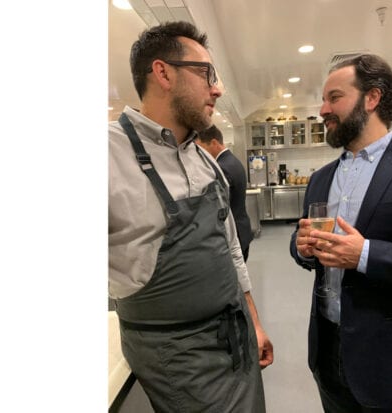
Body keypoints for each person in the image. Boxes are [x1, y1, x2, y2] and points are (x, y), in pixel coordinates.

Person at [109, 21, 273, 412]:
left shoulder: (202, 159)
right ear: (163, 72)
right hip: (177, 358)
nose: (217, 88)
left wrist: (254, 321)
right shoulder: (107, 156)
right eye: (206, 74)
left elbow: (231, 247)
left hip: (235, 337)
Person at [289, 54, 392, 412]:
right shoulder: (321, 179)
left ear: (372, 98)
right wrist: (302, 248)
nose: (322, 109)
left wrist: (364, 255)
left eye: (334, 97)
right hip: (328, 354)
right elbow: (300, 246)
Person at [196, 124, 254, 261]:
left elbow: (219, 208)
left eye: (201, 148)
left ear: (214, 143)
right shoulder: (233, 161)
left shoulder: (221, 168)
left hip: (234, 235)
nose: (200, 153)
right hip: (243, 230)